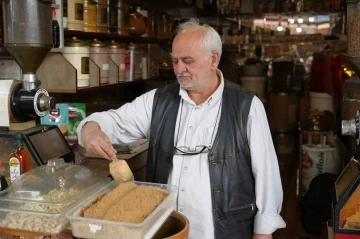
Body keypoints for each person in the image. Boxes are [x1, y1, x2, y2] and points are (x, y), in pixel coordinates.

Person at [77, 18, 286, 239]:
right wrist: (91, 128)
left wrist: (263, 232)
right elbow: (113, 121)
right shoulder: (157, 101)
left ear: (213, 59)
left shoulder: (246, 106)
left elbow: (266, 173)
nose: (179, 69)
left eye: (187, 60)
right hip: (167, 229)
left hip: (224, 231)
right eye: (175, 61)